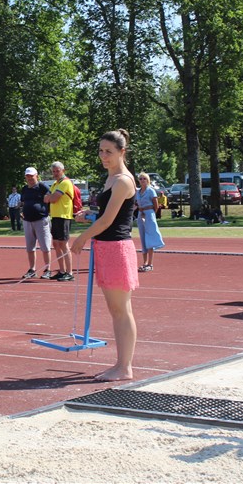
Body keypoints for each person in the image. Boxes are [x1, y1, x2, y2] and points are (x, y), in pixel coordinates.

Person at [71, 129, 138, 381]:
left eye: (109, 151)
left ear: (122, 152)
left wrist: (82, 237)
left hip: (117, 248)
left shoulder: (123, 180)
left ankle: (124, 366)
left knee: (121, 309)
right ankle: (122, 365)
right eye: (101, 150)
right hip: (106, 247)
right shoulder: (111, 179)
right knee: (116, 309)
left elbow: (110, 220)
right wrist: (88, 214)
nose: (103, 156)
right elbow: (105, 215)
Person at [44, 161, 75, 281]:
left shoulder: (66, 183)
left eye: (58, 171)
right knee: (56, 244)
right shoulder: (54, 184)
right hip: (55, 217)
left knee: (63, 244)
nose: (56, 173)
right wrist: (49, 198)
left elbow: (53, 198)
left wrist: (49, 198)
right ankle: (61, 271)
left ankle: (70, 272)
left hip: (64, 216)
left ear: (63, 171)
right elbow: (46, 198)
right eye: (54, 171)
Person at [20, 167, 53, 279]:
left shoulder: (42, 186)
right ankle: (32, 269)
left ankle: (48, 269)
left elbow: (50, 197)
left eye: (31, 175)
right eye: (27, 176)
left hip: (41, 220)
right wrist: (22, 211)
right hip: (27, 221)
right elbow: (23, 202)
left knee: (45, 246)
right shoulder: (24, 189)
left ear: (36, 175)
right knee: (30, 248)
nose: (29, 178)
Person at [135, 172, 164, 272]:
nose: (142, 180)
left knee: (149, 238)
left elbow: (156, 205)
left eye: (144, 178)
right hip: (140, 214)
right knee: (143, 238)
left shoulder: (151, 191)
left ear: (148, 180)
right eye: (141, 179)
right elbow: (135, 204)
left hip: (149, 214)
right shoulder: (137, 192)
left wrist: (151, 215)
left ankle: (150, 264)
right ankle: (144, 262)